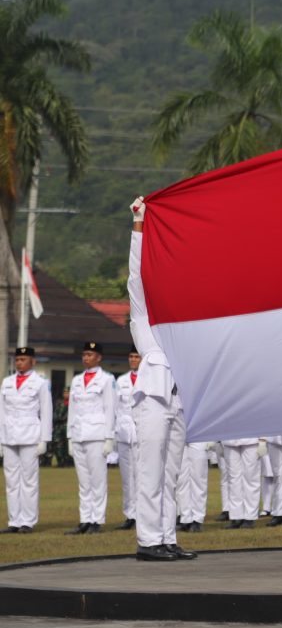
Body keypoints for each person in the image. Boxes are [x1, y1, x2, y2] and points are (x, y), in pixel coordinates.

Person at [127, 196, 197, 561]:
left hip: (179, 399)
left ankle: (167, 536)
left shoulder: (180, 327)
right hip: (153, 400)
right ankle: (148, 541)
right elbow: (136, 275)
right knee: (150, 471)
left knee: (172, 474)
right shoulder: (144, 322)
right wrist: (139, 227)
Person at [65, 341, 116, 535]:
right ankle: (85, 519)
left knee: (97, 480)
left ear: (99, 357)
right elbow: (73, 409)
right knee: (84, 481)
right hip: (79, 434)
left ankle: (97, 520)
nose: (86, 357)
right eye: (84, 354)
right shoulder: (77, 380)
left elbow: (110, 409)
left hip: (97, 435)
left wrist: (109, 437)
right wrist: (70, 436)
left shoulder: (106, 379)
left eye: (90, 354)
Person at [0, 347, 52, 534]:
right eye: (18, 359)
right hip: (9, 436)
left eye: (23, 359)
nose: (19, 362)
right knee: (11, 481)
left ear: (33, 361)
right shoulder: (7, 382)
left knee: (29, 480)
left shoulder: (40, 382)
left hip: (31, 436)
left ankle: (27, 521)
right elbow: (2, 412)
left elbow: (46, 411)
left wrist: (44, 439)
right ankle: (14, 520)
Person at [113, 351, 140, 530]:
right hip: (124, 434)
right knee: (127, 478)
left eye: (136, 356)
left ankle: (142, 514)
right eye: (130, 356)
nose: (133, 359)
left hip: (141, 433)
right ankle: (130, 514)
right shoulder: (121, 380)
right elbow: (115, 408)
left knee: (141, 476)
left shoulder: (148, 378)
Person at [221, 436, 265, 528]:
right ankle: (236, 516)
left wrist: (263, 439)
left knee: (251, 478)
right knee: (233, 480)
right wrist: (219, 440)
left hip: (251, 439)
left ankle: (250, 516)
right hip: (229, 439)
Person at [176, 441, 210, 532]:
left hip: (198, 437)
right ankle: (185, 517)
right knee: (181, 481)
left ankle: (197, 519)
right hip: (180, 437)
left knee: (199, 479)